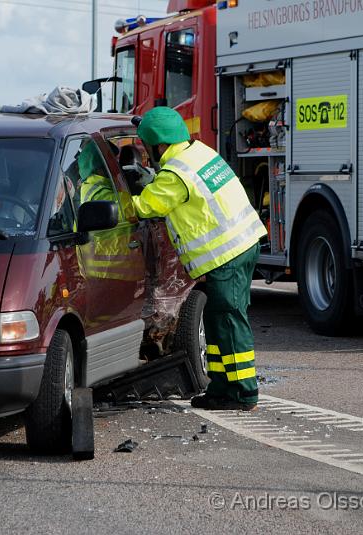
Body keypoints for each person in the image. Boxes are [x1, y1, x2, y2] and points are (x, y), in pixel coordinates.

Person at [131, 106, 267, 411]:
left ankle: (244, 393)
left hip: (227, 253)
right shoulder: (198, 153)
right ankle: (221, 388)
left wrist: (128, 195)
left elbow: (145, 207)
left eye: (147, 147)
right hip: (243, 243)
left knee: (230, 322)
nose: (146, 154)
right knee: (219, 322)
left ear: (160, 145)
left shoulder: (175, 174)